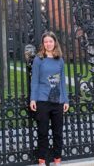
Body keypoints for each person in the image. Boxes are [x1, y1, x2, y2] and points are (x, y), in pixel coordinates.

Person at [30, 31, 69, 166]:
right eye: (46, 41)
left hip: (57, 101)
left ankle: (57, 159)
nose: (48, 44)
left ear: (54, 43)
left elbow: (62, 82)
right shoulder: (38, 59)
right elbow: (34, 80)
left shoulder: (60, 60)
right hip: (42, 101)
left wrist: (66, 100)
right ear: (43, 44)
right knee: (43, 132)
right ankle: (42, 160)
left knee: (57, 132)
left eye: (50, 41)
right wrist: (33, 99)